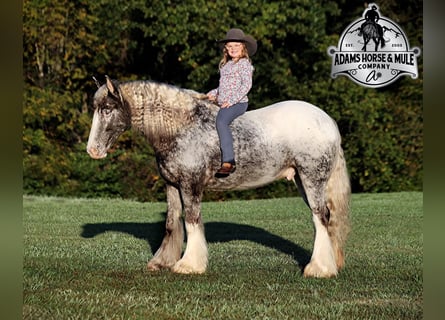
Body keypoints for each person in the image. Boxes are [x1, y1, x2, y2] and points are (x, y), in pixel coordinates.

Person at [207, 28, 257, 178]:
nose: (233, 49)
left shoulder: (244, 64)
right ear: (226, 49)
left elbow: (246, 85)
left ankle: (228, 161)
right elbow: (223, 88)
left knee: (221, 121)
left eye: (236, 46)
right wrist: (213, 93)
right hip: (224, 102)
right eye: (229, 46)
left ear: (243, 47)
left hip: (238, 103)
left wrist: (232, 101)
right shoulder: (225, 66)